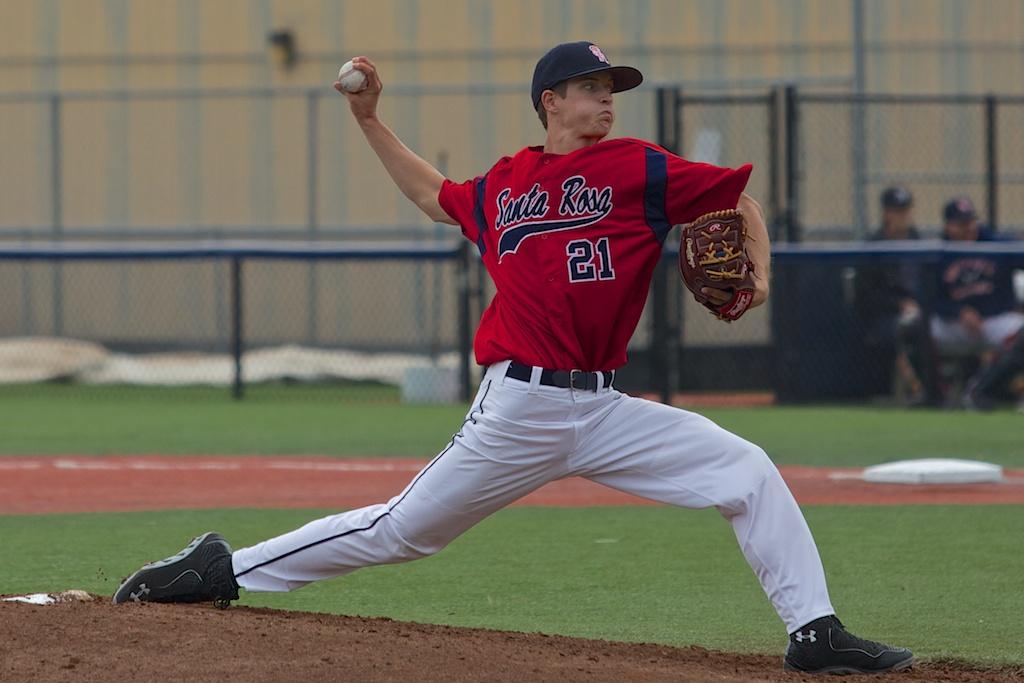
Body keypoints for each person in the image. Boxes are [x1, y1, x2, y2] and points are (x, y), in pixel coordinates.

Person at [112, 42, 914, 675]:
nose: (606, 97)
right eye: (592, 85)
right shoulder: (507, 184)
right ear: (551, 102)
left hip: (604, 410)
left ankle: (815, 633)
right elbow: (433, 195)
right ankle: (223, 568)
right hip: (519, 406)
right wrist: (369, 122)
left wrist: (761, 273)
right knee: (403, 530)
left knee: (746, 471)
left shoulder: (638, 167)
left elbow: (736, 197)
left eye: (612, 87)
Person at [932, 197, 1024, 410]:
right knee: (916, 327)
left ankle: (982, 389)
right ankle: (934, 394)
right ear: (949, 226)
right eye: (962, 224)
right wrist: (958, 311)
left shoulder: (996, 245)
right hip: (953, 323)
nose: (969, 229)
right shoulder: (937, 253)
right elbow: (928, 299)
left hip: (994, 320)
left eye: (971, 222)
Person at [854, 186, 938, 405]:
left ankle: (933, 391)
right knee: (904, 330)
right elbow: (865, 295)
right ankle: (920, 390)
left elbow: (931, 283)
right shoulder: (874, 245)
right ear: (886, 213)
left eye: (905, 210)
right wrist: (899, 304)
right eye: (897, 211)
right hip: (885, 315)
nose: (903, 216)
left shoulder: (918, 240)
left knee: (926, 325)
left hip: (922, 311)